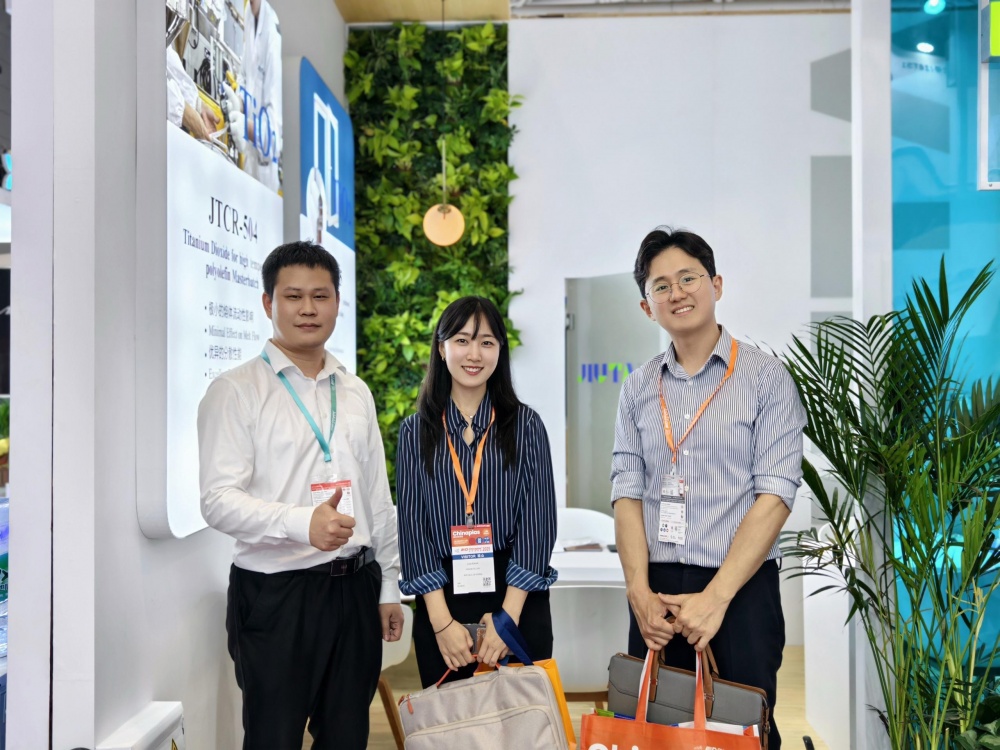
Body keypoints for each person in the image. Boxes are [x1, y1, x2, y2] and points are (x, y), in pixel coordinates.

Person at [198, 240, 403, 750]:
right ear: (268, 303)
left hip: (355, 591)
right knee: (274, 738)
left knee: (347, 737)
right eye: (293, 296)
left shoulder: (354, 391)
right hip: (277, 596)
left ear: (337, 302)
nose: (308, 308)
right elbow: (217, 499)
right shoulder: (236, 390)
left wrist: (388, 586)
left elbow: (377, 497)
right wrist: (299, 521)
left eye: (320, 295)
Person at [611, 228, 806, 750]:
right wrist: (638, 593)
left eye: (688, 278)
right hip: (655, 597)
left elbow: (775, 495)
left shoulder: (766, 379)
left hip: (738, 592)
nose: (676, 293)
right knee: (653, 735)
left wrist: (717, 598)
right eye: (661, 286)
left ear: (716, 285)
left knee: (739, 735)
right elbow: (626, 493)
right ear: (647, 307)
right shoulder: (637, 387)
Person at [396, 296, 558, 688]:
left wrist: (506, 620)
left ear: (500, 350)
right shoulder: (415, 432)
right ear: (442, 348)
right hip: (443, 599)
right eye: (462, 340)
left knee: (523, 719)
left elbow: (537, 526)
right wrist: (441, 624)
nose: (474, 354)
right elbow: (414, 531)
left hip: (516, 597)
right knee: (452, 720)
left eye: (486, 342)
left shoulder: (526, 426)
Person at [227, 0, 282, 192]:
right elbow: (245, 73)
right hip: (248, 163)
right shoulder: (250, 16)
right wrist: (240, 102)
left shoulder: (274, 37)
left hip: (265, 171)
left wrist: (246, 127)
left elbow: (273, 139)